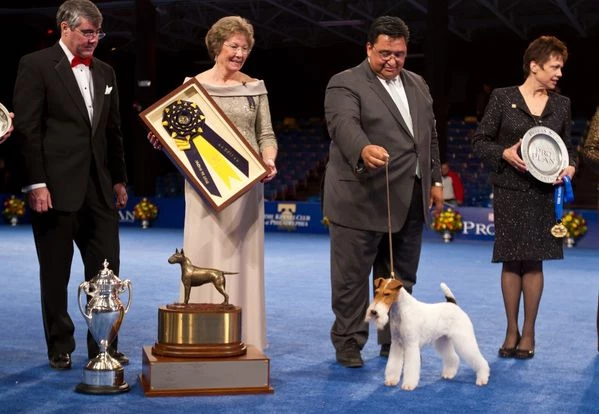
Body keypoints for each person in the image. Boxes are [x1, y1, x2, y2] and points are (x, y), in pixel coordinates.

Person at [149, 16, 277, 352]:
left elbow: (266, 134)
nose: (239, 53)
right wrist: (162, 138)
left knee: (244, 261)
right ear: (217, 46)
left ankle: (245, 337)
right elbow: (179, 138)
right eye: (234, 46)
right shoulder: (192, 87)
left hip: (247, 190)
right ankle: (200, 337)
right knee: (202, 255)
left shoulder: (255, 87)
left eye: (245, 48)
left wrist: (269, 159)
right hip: (204, 190)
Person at [13, 0, 128, 370]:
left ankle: (104, 348)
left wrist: (121, 178)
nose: (94, 39)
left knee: (106, 274)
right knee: (56, 274)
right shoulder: (35, 65)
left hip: (99, 190)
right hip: (55, 190)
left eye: (98, 33)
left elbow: (113, 130)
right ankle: (59, 346)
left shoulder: (107, 72)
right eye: (87, 32)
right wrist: (36, 183)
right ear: (65, 28)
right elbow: (28, 130)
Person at [323, 15, 443, 368]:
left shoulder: (419, 84)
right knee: (351, 280)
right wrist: (362, 148)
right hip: (360, 197)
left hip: (409, 197)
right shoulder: (345, 83)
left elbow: (429, 137)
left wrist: (435, 180)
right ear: (369, 48)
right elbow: (343, 124)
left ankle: (395, 340)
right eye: (385, 53)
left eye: (400, 54)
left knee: (400, 279)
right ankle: (348, 342)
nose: (392, 61)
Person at [472, 36, 576, 360]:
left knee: (534, 261)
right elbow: (480, 140)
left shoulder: (562, 105)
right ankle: (510, 330)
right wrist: (503, 152)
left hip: (544, 195)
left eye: (561, 67)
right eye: (555, 66)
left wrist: (571, 166)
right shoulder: (503, 99)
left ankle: (529, 332)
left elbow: (569, 147)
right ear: (535, 65)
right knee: (511, 259)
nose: (559, 73)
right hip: (510, 191)